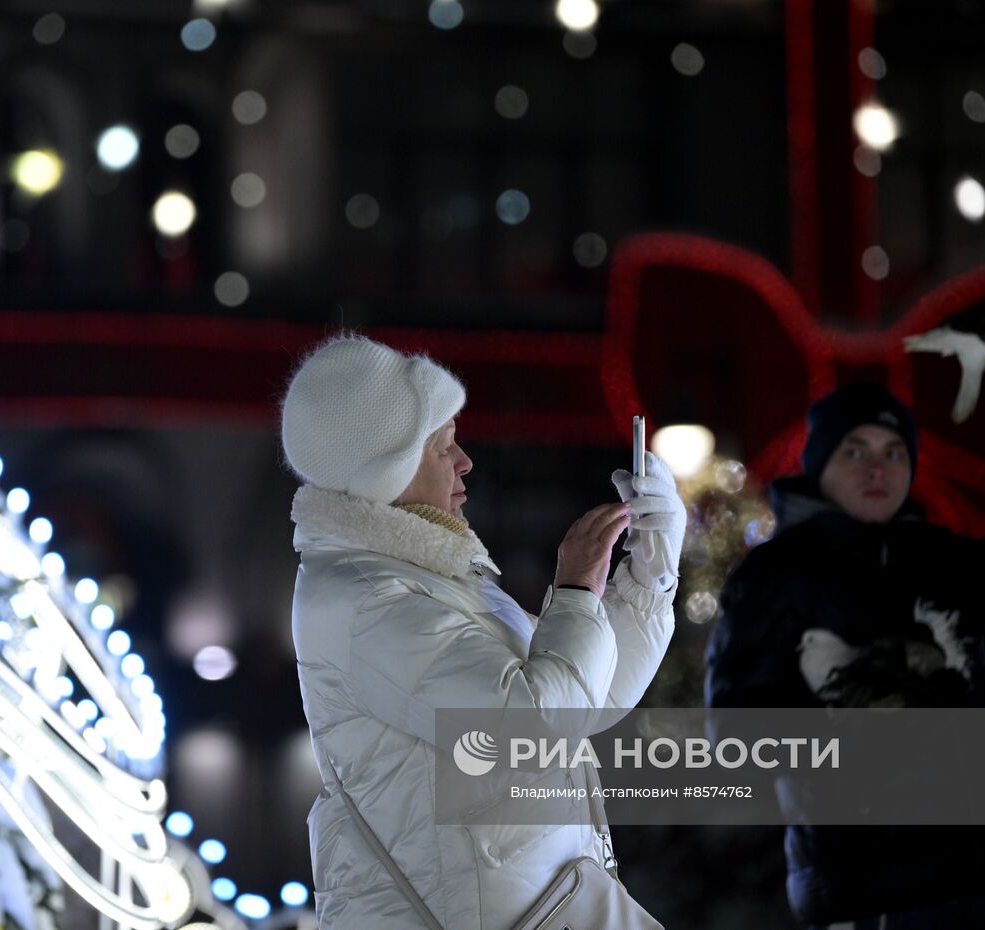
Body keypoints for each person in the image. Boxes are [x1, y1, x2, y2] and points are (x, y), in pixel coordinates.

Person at [282, 335, 685, 929]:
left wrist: (651, 572)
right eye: (443, 445)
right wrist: (574, 592)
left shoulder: (433, 578)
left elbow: (588, 701)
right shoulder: (367, 600)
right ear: (383, 473)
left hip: (539, 909)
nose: (465, 460)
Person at [705, 359, 985, 929]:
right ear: (820, 465)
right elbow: (735, 737)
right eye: (855, 450)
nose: (877, 467)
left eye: (894, 451)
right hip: (867, 901)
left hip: (984, 888)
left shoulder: (942, 560)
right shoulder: (774, 578)